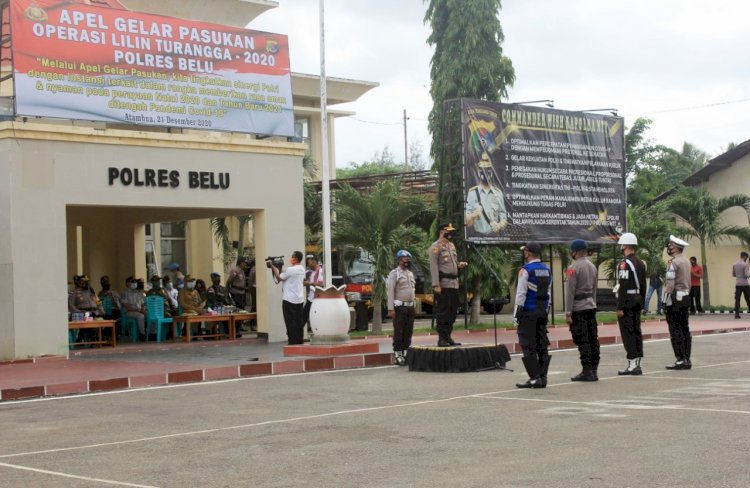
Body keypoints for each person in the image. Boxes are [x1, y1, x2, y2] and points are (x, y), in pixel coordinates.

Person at [514, 242, 552, 389]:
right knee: (542, 344)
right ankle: (543, 376)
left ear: (527, 253)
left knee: (527, 344)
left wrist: (516, 316)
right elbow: (548, 293)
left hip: (528, 312)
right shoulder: (547, 270)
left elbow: (521, 295)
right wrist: (545, 311)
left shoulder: (525, 270)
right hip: (542, 312)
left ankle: (534, 377)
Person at [564, 239, 599, 382]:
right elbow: (594, 290)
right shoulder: (593, 267)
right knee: (593, 339)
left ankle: (586, 370)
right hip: (591, 306)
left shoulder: (573, 267)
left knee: (582, 339)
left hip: (578, 308)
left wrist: (568, 313)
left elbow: (570, 292)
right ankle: (594, 370)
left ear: (575, 251)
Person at [428, 222, 468, 347]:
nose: (451, 234)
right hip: (443, 284)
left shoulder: (451, 246)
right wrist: (436, 284)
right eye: (448, 231)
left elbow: (452, 263)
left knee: (452, 311)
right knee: (443, 311)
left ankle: (448, 336)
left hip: (454, 283)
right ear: (442, 232)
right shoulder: (436, 247)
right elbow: (433, 266)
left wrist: (458, 265)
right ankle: (442, 338)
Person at [615, 233, 647, 376]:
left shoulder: (625, 264)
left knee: (627, 333)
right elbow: (643, 284)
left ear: (625, 246)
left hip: (627, 301)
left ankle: (632, 363)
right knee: (636, 331)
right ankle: (637, 363)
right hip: (637, 299)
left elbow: (623, 285)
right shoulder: (640, 262)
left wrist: (619, 306)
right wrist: (642, 303)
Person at [663, 235, 693, 370]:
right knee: (685, 328)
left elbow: (670, 284)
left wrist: (664, 301)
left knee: (675, 329)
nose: (669, 247)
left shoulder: (673, 262)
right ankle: (687, 358)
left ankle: (680, 359)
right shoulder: (687, 261)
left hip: (675, 298)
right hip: (686, 296)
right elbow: (690, 282)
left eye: (670, 245)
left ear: (675, 248)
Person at [464, 152, 508, 234]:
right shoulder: (472, 193)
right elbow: (467, 223)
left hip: (494, 237)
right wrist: (474, 215)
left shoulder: (498, 193)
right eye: (482, 170)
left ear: (491, 172)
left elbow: (504, 219)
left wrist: (499, 225)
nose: (484, 173)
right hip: (477, 238)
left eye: (487, 170)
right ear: (478, 172)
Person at [386, 250, 417, 366]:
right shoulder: (395, 273)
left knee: (408, 331)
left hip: (410, 307)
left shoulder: (410, 274)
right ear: (399, 260)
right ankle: (398, 354)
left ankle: (406, 352)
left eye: (408, 259)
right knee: (399, 331)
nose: (407, 261)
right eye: (404, 259)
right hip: (399, 307)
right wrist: (390, 308)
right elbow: (390, 291)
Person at [271, 251, 306, 345]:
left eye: (292, 257)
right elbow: (286, 275)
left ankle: (292, 341)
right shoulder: (302, 269)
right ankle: (299, 340)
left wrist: (273, 266)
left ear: (295, 259)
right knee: (299, 321)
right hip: (299, 300)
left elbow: (278, 278)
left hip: (289, 300)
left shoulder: (290, 270)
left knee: (290, 322)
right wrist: (280, 268)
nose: (290, 258)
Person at [303, 254, 325, 334]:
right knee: (303, 317)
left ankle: (320, 333)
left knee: (316, 318)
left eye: (309, 261)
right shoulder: (310, 272)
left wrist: (309, 283)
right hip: (311, 298)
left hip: (317, 299)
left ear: (314, 261)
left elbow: (321, 285)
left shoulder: (320, 271)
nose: (308, 264)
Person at [732, 251, 750, 319]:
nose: (746, 259)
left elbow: (733, 274)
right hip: (745, 284)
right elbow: (747, 275)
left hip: (738, 284)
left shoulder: (734, 264)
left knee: (737, 299)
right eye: (746, 258)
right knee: (748, 298)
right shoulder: (745, 265)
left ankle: (736, 314)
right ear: (745, 257)